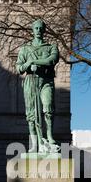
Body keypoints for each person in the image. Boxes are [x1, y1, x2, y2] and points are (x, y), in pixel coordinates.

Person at [16, 19, 60, 153]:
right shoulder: (25, 48)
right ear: (32, 30)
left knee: (48, 109)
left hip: (46, 80)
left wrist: (33, 61)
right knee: (31, 114)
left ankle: (50, 137)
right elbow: (19, 68)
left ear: (44, 30)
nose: (39, 31)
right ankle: (34, 143)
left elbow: (51, 60)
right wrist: (28, 64)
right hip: (30, 81)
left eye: (41, 28)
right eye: (36, 28)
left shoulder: (51, 46)